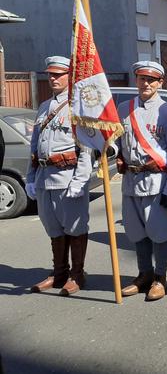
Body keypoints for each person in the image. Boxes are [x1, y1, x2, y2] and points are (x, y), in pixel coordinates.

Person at [27, 57, 93, 296]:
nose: (53, 78)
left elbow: (86, 150)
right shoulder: (44, 107)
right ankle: (59, 272)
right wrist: (30, 178)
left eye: (58, 74)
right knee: (53, 228)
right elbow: (34, 147)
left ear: (70, 76)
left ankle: (77, 274)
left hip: (68, 177)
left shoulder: (78, 107)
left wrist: (80, 181)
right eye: (50, 75)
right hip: (45, 176)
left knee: (75, 227)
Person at [116, 61, 167, 300]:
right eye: (142, 78)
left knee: (159, 233)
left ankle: (160, 278)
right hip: (131, 181)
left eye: (151, 80)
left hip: (156, 181)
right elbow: (116, 143)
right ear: (136, 80)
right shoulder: (123, 109)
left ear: (160, 83)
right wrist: (114, 154)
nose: (146, 83)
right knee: (136, 232)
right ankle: (144, 274)